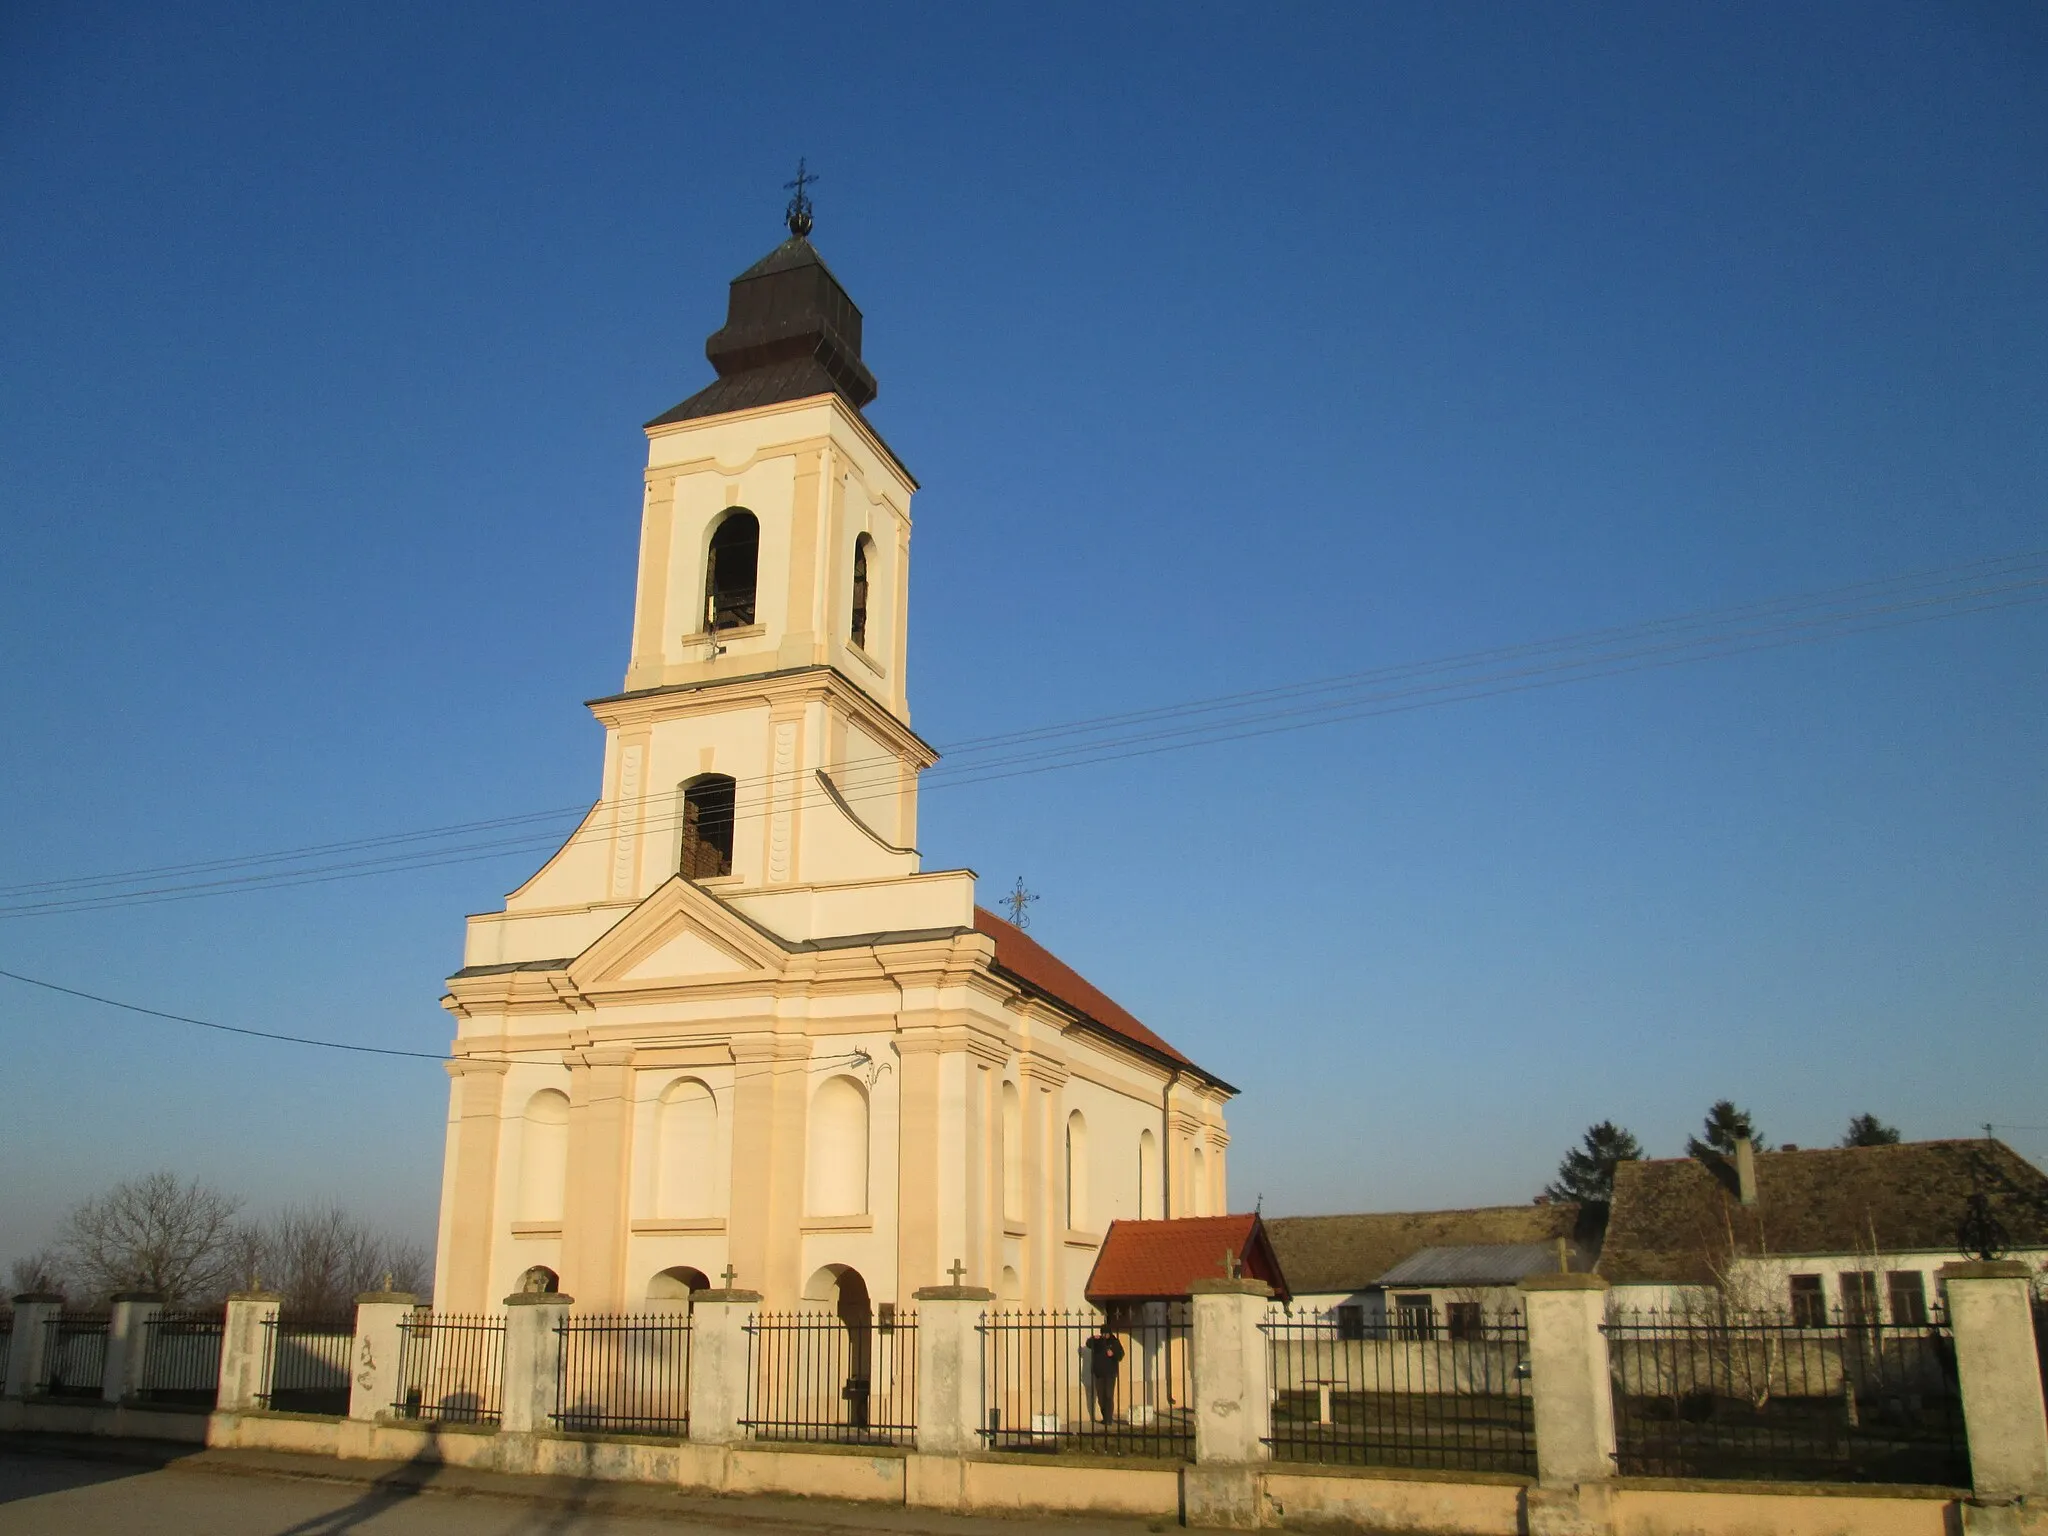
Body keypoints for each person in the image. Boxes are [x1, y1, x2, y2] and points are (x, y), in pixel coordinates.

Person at [1083, 1325, 1125, 1425]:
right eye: (1102, 1333)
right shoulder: (1098, 1342)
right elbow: (1088, 1344)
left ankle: (1108, 1419)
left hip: (1110, 1374)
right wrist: (1093, 1338)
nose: (1104, 1335)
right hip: (1098, 1373)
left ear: (1109, 1333)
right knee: (1101, 1397)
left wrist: (1113, 1353)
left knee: (1108, 1395)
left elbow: (1121, 1354)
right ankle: (1105, 1416)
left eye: (1105, 1333)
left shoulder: (1114, 1342)